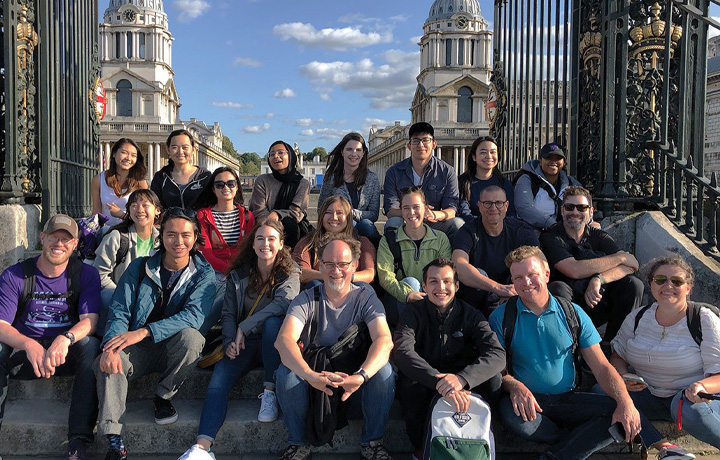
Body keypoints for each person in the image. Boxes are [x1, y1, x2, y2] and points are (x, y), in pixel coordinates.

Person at [488, 246, 641, 460]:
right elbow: (498, 371)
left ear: (547, 274)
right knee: (517, 421)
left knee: (618, 410)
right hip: (528, 401)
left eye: (532, 275)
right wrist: (515, 386)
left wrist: (625, 401)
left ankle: (557, 456)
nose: (526, 283)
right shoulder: (500, 318)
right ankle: (575, 442)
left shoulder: (573, 313)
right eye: (518, 278)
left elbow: (602, 367)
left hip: (568, 399)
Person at [94, 207, 216, 460]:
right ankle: (114, 439)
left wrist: (144, 331)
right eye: (171, 234)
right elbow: (119, 310)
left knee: (193, 338)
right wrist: (110, 347)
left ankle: (163, 396)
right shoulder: (140, 267)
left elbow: (193, 316)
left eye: (185, 235)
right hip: (136, 350)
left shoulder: (204, 275)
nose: (178, 241)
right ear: (162, 236)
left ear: (195, 237)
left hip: (171, 348)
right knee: (108, 360)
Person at [177, 219, 300, 460]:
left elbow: (284, 303)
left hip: (273, 345)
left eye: (272, 239)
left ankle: (269, 390)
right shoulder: (239, 273)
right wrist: (230, 340)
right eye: (260, 239)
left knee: (275, 323)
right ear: (252, 244)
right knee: (217, 383)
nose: (266, 244)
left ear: (281, 244)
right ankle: (201, 449)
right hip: (244, 343)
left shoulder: (290, 271)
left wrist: (246, 325)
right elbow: (229, 313)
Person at [274, 235, 395, 460]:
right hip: (315, 377)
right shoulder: (307, 298)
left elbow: (384, 339)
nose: (336, 270)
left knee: (384, 372)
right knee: (286, 375)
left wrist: (361, 376)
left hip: (354, 383)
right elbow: (284, 340)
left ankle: (372, 442)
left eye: (343, 264)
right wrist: (310, 375)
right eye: (329, 264)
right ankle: (298, 444)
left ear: (355, 265)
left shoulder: (366, 296)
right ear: (319, 265)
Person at [0, 214, 101, 460]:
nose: (59, 244)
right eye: (54, 237)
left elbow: (90, 321)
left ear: (75, 244)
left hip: (64, 354)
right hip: (26, 353)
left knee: (91, 347)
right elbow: (1, 324)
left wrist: (65, 338)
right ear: (42, 238)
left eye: (66, 240)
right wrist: (28, 343)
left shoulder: (86, 274)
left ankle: (77, 441)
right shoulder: (15, 275)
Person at [605, 256, 720, 459]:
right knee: (603, 391)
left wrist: (702, 386)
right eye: (660, 280)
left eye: (676, 281)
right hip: (650, 396)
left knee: (687, 408)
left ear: (688, 288)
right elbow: (617, 356)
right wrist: (622, 376)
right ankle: (666, 448)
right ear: (651, 284)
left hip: (691, 400)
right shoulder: (637, 318)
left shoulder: (703, 319)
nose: (668, 285)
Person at [393, 257, 505, 460]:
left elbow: (497, 354)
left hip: (464, 385)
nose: (441, 287)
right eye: (433, 281)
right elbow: (402, 352)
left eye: (447, 281)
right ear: (424, 285)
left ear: (457, 285)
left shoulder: (471, 314)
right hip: (428, 382)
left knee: (494, 379)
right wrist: (441, 382)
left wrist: (462, 379)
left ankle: (480, 438)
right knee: (408, 384)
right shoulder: (412, 314)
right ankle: (421, 450)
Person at [540, 186, 643, 342]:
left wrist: (599, 279)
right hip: (569, 304)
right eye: (569, 207)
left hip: (597, 299)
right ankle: (571, 348)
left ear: (591, 212)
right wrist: (620, 258)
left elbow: (632, 264)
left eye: (581, 207)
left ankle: (613, 345)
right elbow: (573, 270)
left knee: (633, 284)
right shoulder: (551, 237)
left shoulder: (598, 235)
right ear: (562, 211)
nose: (575, 212)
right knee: (558, 288)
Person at [453, 185, 538, 316]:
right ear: (479, 206)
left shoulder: (521, 230)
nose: (493, 208)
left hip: (514, 294)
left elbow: (540, 262)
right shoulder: (468, 231)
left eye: (498, 203)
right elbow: (459, 265)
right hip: (478, 300)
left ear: (506, 205)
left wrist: (512, 290)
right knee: (476, 274)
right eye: (488, 203)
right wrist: (498, 289)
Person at [193, 166, 255, 333]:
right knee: (222, 291)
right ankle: (199, 333)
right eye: (219, 184)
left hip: (240, 270)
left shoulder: (248, 216)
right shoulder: (202, 215)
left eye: (230, 183)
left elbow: (249, 250)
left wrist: (235, 272)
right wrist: (229, 272)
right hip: (213, 270)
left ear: (237, 187)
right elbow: (206, 252)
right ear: (213, 189)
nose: (225, 188)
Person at [377, 186, 451, 325]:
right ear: (401, 210)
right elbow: (385, 277)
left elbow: (445, 273)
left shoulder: (440, 239)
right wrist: (407, 294)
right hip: (400, 301)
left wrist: (429, 294)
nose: (411, 212)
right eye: (406, 208)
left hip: (432, 296)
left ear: (426, 209)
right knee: (410, 283)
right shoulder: (389, 240)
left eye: (416, 207)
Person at [93, 189, 162, 335]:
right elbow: (99, 275)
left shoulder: (162, 240)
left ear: (157, 210)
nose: (139, 210)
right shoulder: (117, 237)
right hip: (118, 295)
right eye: (134, 205)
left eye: (145, 205)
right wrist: (122, 294)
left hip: (151, 298)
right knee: (106, 296)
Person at [383, 122, 464, 238]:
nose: (421, 145)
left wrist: (433, 215)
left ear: (434, 144)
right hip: (406, 222)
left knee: (457, 224)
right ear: (409, 146)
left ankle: (453, 256)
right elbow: (391, 211)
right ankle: (395, 256)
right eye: (416, 140)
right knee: (392, 224)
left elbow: (451, 210)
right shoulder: (394, 172)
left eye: (426, 140)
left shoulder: (447, 171)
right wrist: (417, 212)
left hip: (434, 223)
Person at [292, 195, 376, 288]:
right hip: (321, 294)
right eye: (328, 212)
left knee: (364, 286)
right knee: (314, 285)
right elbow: (301, 272)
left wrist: (345, 277)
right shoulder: (308, 242)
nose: (334, 217)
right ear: (321, 216)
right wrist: (330, 277)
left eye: (339, 213)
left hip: (351, 294)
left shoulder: (361, 242)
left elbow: (370, 273)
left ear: (348, 217)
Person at [318, 132, 381, 244]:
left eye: (358, 150)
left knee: (366, 224)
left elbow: (374, 214)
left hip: (364, 228)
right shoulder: (331, 177)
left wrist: (350, 213)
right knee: (351, 224)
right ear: (342, 152)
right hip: (337, 225)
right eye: (349, 149)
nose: (354, 153)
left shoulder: (372, 179)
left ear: (363, 153)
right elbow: (320, 208)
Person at [249, 141, 311, 247]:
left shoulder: (303, 183)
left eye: (280, 152)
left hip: (292, 231)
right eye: (271, 154)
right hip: (265, 227)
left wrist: (277, 214)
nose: (276, 156)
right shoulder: (262, 180)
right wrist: (273, 225)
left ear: (290, 155)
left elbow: (297, 212)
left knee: (290, 224)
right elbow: (258, 210)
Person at [514, 142, 581, 231]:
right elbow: (524, 208)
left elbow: (583, 201)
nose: (553, 161)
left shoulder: (570, 182)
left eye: (558, 158)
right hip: (533, 231)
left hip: (564, 230)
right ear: (540, 161)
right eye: (548, 157)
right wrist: (551, 224)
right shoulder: (527, 180)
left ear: (563, 162)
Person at [91, 138, 148, 228]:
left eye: (133, 155)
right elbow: (96, 213)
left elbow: (145, 216)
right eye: (124, 153)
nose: (128, 158)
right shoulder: (98, 180)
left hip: (131, 230)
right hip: (106, 232)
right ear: (114, 154)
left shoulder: (140, 182)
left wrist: (121, 215)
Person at [151, 129, 212, 210]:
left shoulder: (204, 177)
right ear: (168, 150)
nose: (180, 152)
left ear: (193, 149)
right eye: (174, 147)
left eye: (185, 147)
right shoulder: (160, 177)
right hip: (168, 222)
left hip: (198, 222)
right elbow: (155, 206)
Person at [458, 135, 515, 220]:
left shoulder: (504, 183)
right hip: (472, 228)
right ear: (474, 157)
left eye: (493, 152)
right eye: (483, 152)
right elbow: (464, 213)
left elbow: (510, 213)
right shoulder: (463, 183)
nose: (489, 156)